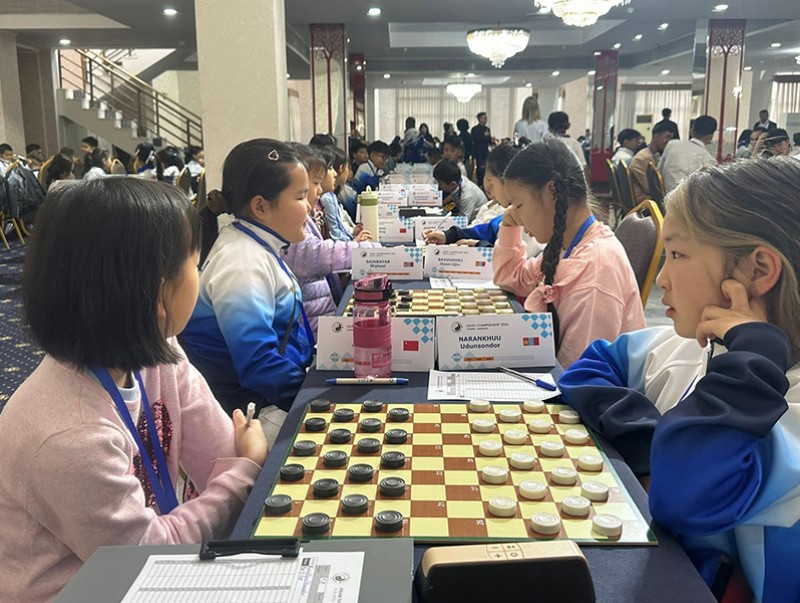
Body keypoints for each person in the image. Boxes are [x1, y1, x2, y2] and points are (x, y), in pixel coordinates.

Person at [0, 178, 266, 603]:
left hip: (138, 573)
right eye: (195, 266)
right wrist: (244, 472)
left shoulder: (159, 353)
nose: (199, 278)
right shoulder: (70, 435)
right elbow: (149, 561)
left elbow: (219, 453)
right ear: (159, 293)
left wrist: (234, 470)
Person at [558, 159, 800, 603]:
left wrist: (752, 356)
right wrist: (648, 446)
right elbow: (592, 366)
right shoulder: (689, 347)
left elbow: (686, 499)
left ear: (759, 270)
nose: (661, 279)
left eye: (678, 254)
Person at [179, 140, 314, 444]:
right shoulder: (242, 262)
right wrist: (316, 400)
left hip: (270, 398)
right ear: (261, 206)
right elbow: (258, 364)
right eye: (300, 196)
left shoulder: (254, 245)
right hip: (253, 415)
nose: (309, 206)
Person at [492, 137, 644, 368]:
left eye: (519, 205)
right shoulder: (569, 245)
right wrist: (509, 226)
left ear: (551, 192)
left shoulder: (593, 272)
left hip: (583, 387)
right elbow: (511, 279)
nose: (517, 216)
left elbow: (576, 374)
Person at [284, 145, 377, 336]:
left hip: (319, 316)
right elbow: (317, 253)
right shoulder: (289, 225)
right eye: (301, 194)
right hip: (312, 329)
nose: (318, 191)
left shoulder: (308, 213)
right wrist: (370, 250)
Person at [424, 143, 543, 257]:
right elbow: (484, 231)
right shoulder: (508, 213)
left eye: (491, 181)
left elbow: (512, 262)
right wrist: (447, 236)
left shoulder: (525, 220)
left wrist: (481, 246)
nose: (488, 186)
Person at [658, 115, 717, 192]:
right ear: (711, 136)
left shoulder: (672, 144)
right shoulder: (708, 159)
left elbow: (659, 171)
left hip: (664, 195)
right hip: (686, 199)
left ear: (691, 130)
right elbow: (707, 190)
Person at [630, 122, 674, 203]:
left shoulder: (655, 155)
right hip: (644, 201)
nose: (669, 142)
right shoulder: (642, 158)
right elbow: (650, 188)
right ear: (656, 137)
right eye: (667, 137)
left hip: (649, 198)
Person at [471, 112, 492, 187]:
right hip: (478, 152)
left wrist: (489, 137)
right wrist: (484, 136)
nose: (486, 119)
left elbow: (489, 141)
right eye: (484, 118)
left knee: (486, 169)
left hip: (485, 151)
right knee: (479, 169)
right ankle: (479, 184)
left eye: (486, 118)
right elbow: (474, 140)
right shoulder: (475, 129)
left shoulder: (487, 129)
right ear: (479, 119)